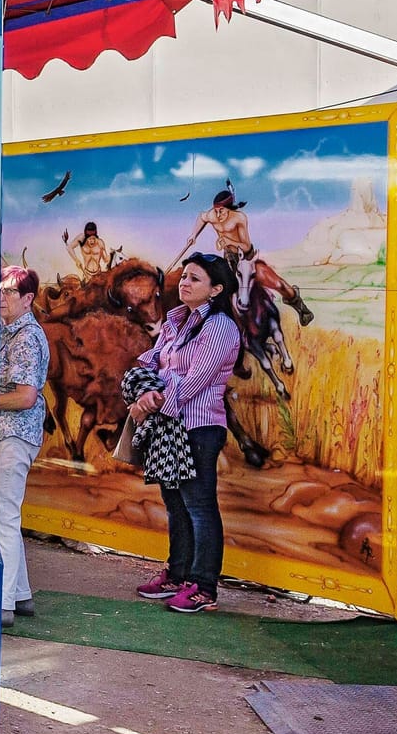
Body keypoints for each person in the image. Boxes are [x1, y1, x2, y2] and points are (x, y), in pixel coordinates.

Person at [131, 253, 242, 615]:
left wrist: (149, 399)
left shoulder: (221, 327)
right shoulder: (177, 320)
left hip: (199, 427)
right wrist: (144, 391)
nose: (185, 283)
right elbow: (150, 361)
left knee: (199, 506)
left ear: (216, 289)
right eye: (184, 277)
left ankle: (204, 587)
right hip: (170, 425)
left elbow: (195, 380)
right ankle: (178, 575)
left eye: (195, 279)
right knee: (175, 504)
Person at [0, 266, 49, 627]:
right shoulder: (9, 333)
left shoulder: (25, 337)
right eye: (0, 291)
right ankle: (20, 595)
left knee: (3, 516)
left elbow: (25, 397)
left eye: (10, 292)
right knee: (3, 513)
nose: (2, 298)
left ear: (28, 299)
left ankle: (3, 602)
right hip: (8, 434)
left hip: (14, 434)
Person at [175, 189, 314, 326]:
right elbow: (201, 217)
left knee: (277, 283)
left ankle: (300, 307)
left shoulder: (239, 218)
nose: (218, 215)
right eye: (216, 210)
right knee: (224, 291)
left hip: (246, 259)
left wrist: (228, 242)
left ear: (229, 209)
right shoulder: (212, 215)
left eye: (221, 211)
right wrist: (194, 235)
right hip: (229, 258)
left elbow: (246, 246)